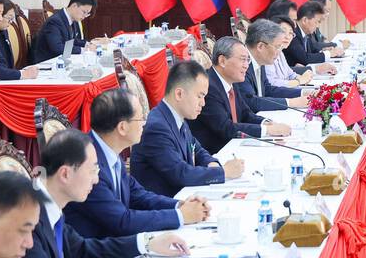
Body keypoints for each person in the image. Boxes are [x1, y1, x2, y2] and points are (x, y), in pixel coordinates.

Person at [8, 130, 187, 258]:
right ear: (65, 174)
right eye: (92, 170)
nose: (95, 180)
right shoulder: (26, 217)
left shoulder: (50, 205)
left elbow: (82, 250)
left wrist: (148, 243)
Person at [64, 88, 211, 238]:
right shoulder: (88, 163)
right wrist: (180, 216)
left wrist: (180, 205)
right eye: (140, 118)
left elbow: (138, 195)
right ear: (122, 127)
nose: (144, 124)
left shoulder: (106, 148)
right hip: (98, 255)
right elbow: (122, 222)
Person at [130, 60, 245, 197]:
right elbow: (181, 173)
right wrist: (224, 171)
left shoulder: (176, 117)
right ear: (179, 94)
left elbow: (196, 149)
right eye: (199, 96)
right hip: (164, 207)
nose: (203, 103)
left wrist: (211, 163)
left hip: (184, 197)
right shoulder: (157, 128)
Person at [193, 37, 290, 154]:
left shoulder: (231, 81)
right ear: (222, 61)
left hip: (236, 147)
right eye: (242, 60)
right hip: (217, 155)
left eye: (247, 61)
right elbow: (226, 128)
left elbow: (246, 114)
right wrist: (267, 130)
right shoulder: (208, 87)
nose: (246, 66)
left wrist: (267, 123)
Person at [238, 18, 311, 112]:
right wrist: (292, 102)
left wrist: (304, 92)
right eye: (277, 47)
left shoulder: (259, 61)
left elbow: (268, 90)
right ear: (261, 46)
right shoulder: (242, 65)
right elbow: (252, 102)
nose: (279, 51)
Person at [31, 0, 109, 64]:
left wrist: (89, 44)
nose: (84, 16)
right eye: (84, 12)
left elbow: (72, 41)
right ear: (74, 6)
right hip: (47, 65)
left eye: (87, 14)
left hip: (61, 61)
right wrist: (85, 49)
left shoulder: (71, 19)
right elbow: (58, 48)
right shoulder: (55, 21)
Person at [286, 1, 343, 67]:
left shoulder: (306, 32)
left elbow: (313, 49)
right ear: (305, 20)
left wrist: (324, 50)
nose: (318, 26)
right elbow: (305, 58)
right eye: (316, 22)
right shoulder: (293, 33)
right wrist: (329, 54)